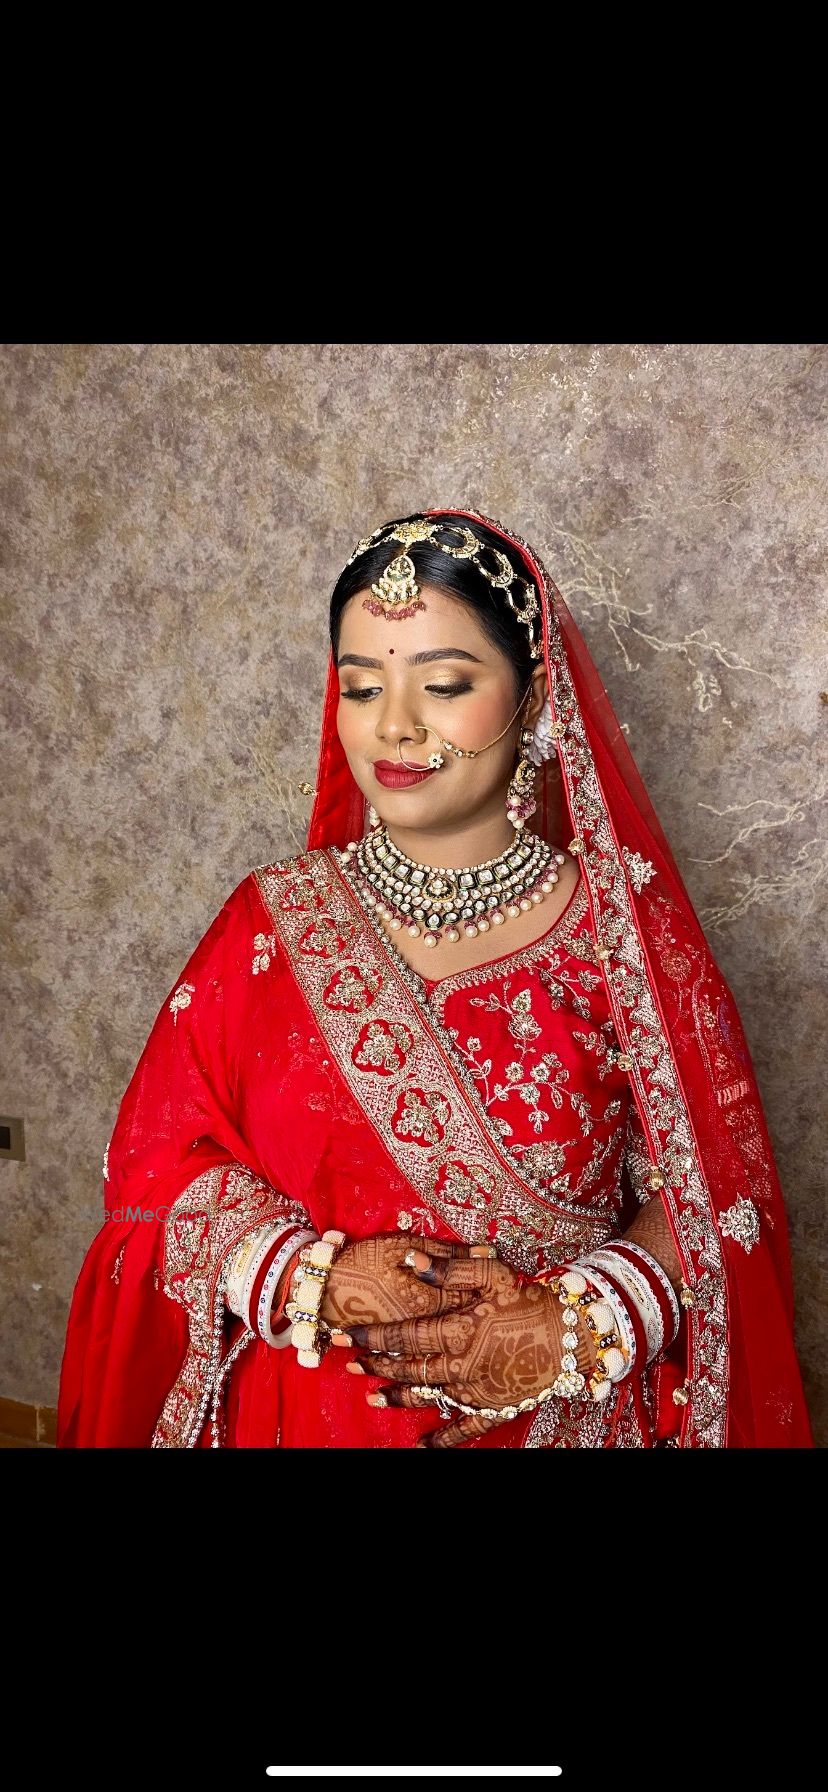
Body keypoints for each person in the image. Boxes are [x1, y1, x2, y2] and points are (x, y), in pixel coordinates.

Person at [56, 507, 813, 1448]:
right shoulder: (271, 921)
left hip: (552, 1417)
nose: (395, 727)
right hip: (303, 1416)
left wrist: (572, 1327)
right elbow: (156, 1162)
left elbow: (716, 1195)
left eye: (444, 684)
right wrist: (309, 1278)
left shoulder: (622, 931)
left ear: (533, 699)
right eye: (362, 687)